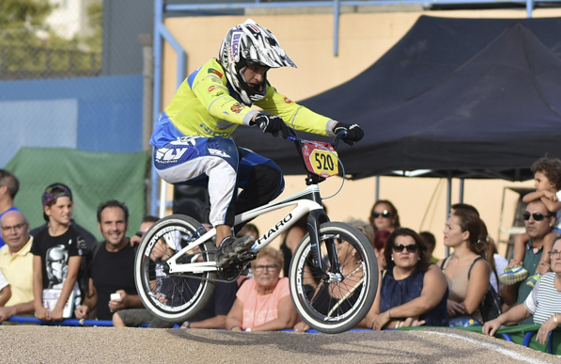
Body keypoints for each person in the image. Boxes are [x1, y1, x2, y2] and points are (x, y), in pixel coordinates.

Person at [150, 18, 362, 269]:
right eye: (254, 68)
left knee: (270, 176)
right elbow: (218, 104)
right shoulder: (209, 75)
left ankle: (219, 233)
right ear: (234, 62)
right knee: (224, 149)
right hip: (169, 152)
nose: (259, 76)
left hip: (209, 155)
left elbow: (291, 111)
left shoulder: (255, 87)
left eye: (264, 70)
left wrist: (335, 126)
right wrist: (255, 116)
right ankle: (223, 239)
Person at [483, 233, 561, 343]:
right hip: (541, 352)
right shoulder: (545, 280)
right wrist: (499, 320)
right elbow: (525, 309)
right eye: (554, 252)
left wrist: (557, 319)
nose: (557, 257)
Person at [502, 157, 561, 283]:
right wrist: (542, 193)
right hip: (555, 229)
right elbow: (526, 198)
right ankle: (517, 266)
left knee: (548, 238)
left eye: (538, 180)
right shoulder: (544, 195)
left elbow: (552, 207)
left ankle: (540, 271)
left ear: (552, 183)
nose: (535, 184)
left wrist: (542, 195)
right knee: (520, 238)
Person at [370, 227, 448, 330]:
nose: (405, 251)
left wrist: (388, 314)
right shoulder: (382, 276)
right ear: (391, 253)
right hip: (389, 341)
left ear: (419, 252)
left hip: (432, 337)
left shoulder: (431, 270)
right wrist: (399, 325)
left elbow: (425, 303)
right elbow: (371, 318)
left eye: (411, 248)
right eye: (398, 247)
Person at [32, 183, 87, 322]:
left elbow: (72, 275)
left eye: (69, 206)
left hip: (70, 308)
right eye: (61, 207)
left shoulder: (77, 238)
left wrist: (59, 307)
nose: (67, 211)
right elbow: (37, 274)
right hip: (46, 308)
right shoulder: (38, 238)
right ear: (48, 210)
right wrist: (38, 306)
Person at [84, 200, 144, 324]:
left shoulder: (139, 253)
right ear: (99, 226)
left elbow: (157, 299)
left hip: (136, 335)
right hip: (102, 334)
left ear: (127, 224)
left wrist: (129, 301)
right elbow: (94, 295)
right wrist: (85, 307)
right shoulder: (94, 253)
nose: (114, 228)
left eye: (119, 222)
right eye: (108, 223)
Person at [440, 208, 495, 327]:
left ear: (465, 235)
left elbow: (468, 307)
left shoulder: (478, 265)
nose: (444, 231)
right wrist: (444, 304)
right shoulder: (441, 264)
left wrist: (439, 304)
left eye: (449, 228)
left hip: (469, 331)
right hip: (442, 328)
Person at [498, 201, 555, 310]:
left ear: (551, 220)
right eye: (526, 216)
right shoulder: (520, 249)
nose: (530, 221)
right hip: (523, 324)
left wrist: (550, 279)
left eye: (537, 216)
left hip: (550, 324)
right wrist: (510, 282)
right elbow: (509, 300)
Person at [226, 247, 296, 331]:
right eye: (259, 267)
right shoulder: (248, 285)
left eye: (270, 267)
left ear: (279, 269)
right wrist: (235, 329)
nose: (265, 272)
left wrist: (250, 331)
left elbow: (285, 321)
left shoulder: (285, 285)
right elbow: (232, 318)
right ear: (253, 270)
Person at [0, 209, 36, 323]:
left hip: (32, 331)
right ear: (1, 232)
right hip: (2, 329)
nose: (13, 232)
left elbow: (48, 299)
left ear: (27, 227)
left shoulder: (40, 253)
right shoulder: (0, 253)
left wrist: (13, 310)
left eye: (18, 226)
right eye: (7, 228)